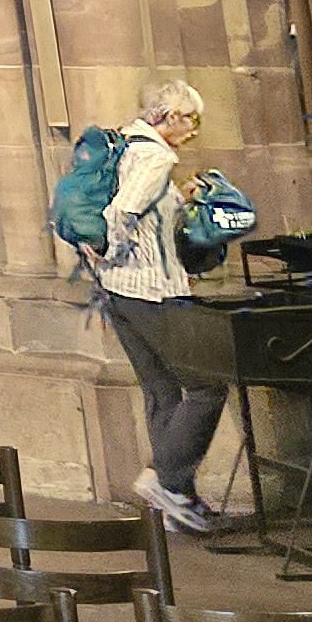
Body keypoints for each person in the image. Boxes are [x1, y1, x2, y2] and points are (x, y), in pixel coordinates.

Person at [96, 77, 227, 534]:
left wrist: (179, 200)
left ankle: (175, 503)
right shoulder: (155, 154)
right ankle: (164, 480)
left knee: (162, 391)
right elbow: (123, 211)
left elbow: (134, 207)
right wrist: (112, 249)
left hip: (117, 291)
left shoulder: (123, 144)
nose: (195, 128)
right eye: (191, 118)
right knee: (208, 385)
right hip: (153, 291)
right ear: (168, 116)